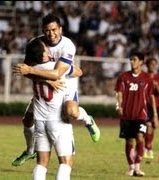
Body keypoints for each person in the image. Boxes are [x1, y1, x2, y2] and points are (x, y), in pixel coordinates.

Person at [12, 14, 100, 166]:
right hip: (46, 84)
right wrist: (46, 80)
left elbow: (58, 74)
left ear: (60, 29)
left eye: (54, 30)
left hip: (65, 82)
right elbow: (26, 72)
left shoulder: (67, 45)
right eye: (47, 30)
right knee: (27, 120)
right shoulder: (37, 44)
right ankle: (30, 150)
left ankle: (87, 119)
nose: (51, 34)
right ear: (42, 30)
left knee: (71, 112)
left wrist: (47, 76)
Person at [24, 38, 80, 180]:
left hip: (40, 121)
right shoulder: (55, 67)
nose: (48, 48)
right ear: (43, 54)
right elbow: (78, 72)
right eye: (45, 48)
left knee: (42, 163)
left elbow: (27, 71)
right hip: (58, 121)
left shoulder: (33, 70)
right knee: (66, 163)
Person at [115, 52, 159, 177]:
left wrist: (155, 115)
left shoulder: (147, 78)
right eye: (130, 59)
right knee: (129, 141)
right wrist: (119, 106)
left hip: (141, 114)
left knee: (140, 137)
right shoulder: (123, 77)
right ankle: (131, 167)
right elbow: (119, 93)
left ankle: (138, 167)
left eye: (134, 59)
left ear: (141, 62)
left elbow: (151, 96)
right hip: (127, 115)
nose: (132, 62)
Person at [144, 57, 159, 159]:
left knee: (152, 127)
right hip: (146, 105)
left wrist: (157, 86)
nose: (153, 66)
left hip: (156, 105)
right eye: (151, 64)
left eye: (154, 64)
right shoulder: (143, 76)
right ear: (147, 65)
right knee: (147, 125)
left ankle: (148, 148)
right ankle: (147, 147)